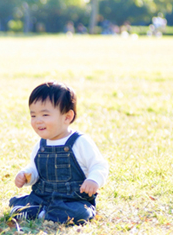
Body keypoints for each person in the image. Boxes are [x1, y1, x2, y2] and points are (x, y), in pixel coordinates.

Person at [9, 81, 108, 225]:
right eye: (33, 116)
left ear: (67, 117)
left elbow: (99, 165)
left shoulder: (79, 142)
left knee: (80, 213)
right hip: (43, 196)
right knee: (17, 202)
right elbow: (35, 169)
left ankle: (40, 213)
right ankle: (42, 211)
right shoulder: (40, 145)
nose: (38, 121)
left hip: (72, 199)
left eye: (45, 114)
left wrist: (93, 180)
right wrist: (26, 175)